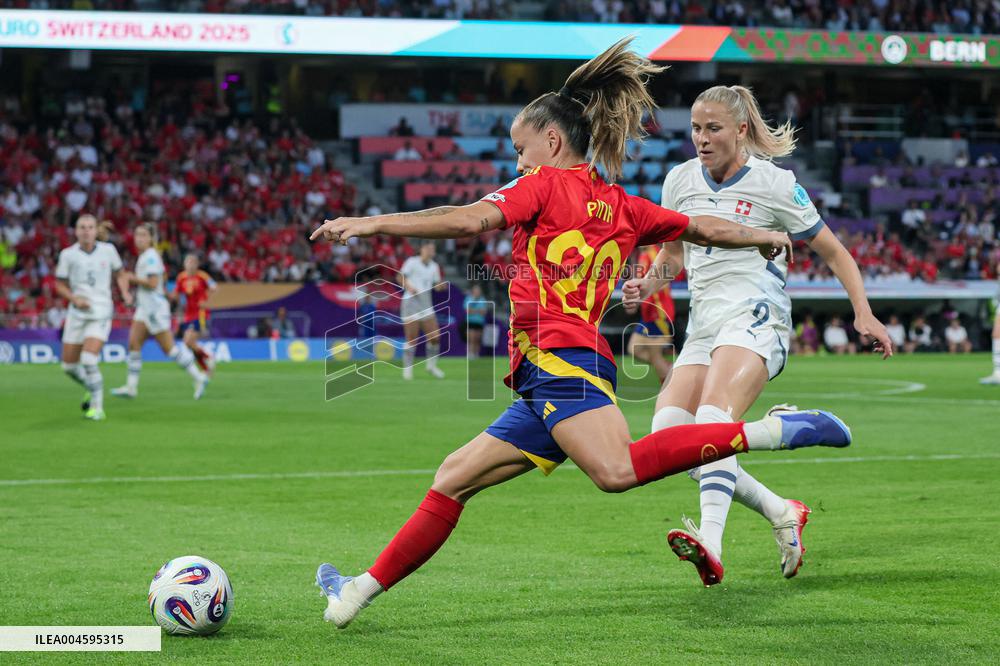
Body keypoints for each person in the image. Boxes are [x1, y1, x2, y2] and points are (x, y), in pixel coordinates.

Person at [308, 39, 852, 628]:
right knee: (453, 477)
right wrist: (760, 238)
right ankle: (354, 595)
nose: (517, 164)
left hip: (561, 360)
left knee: (616, 472)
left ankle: (775, 431)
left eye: (521, 150)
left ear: (552, 140)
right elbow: (702, 228)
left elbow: (469, 218)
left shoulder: (541, 185)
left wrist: (370, 223)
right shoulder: (621, 204)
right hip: (549, 372)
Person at [622, 84, 892, 586]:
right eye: (696, 129)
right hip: (704, 325)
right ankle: (782, 499)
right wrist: (646, 284)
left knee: (710, 421)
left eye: (713, 128)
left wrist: (864, 313)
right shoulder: (679, 180)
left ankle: (712, 542)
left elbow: (834, 251)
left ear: (741, 129)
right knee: (670, 441)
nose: (701, 139)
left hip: (755, 315)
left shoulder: (774, 183)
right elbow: (674, 258)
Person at [110, 223, 209, 400]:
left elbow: (153, 283)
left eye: (143, 235)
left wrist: (132, 278)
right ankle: (131, 387)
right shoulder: (145, 257)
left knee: (170, 350)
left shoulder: (151, 257)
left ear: (151, 239)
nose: (139, 239)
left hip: (154, 310)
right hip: (145, 308)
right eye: (137, 234)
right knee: (133, 344)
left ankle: (199, 377)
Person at [54, 214, 131, 421]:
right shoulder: (68, 255)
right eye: (82, 227)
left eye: (90, 227)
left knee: (88, 360)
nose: (86, 231)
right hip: (77, 313)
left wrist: (124, 292)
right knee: (68, 367)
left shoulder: (108, 251)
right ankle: (92, 387)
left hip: (100, 312)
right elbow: (59, 284)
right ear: (76, 231)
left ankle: (98, 408)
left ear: (96, 230)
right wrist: (74, 298)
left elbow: (121, 274)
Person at [399, 241, 447, 380]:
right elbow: (400, 277)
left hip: (426, 304)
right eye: (430, 248)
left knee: (435, 337)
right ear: (422, 249)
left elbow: (436, 285)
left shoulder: (434, 266)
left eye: (433, 249)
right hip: (411, 302)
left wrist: (441, 286)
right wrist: (409, 287)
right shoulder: (412, 262)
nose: (432, 251)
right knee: (411, 338)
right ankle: (407, 370)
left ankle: (431, 366)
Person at [626, 245, 674, 383]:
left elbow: (663, 280)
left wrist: (637, 297)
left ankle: (670, 389)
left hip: (658, 312)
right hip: (648, 314)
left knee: (655, 356)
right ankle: (672, 370)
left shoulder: (653, 254)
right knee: (634, 349)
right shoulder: (645, 254)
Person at [172, 254, 216, 375]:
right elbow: (176, 293)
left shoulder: (202, 276)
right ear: (184, 264)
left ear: (197, 264)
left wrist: (206, 300)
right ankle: (206, 365)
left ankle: (207, 358)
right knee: (189, 344)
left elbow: (214, 286)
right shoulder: (181, 277)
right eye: (188, 262)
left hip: (200, 313)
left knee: (188, 342)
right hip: (188, 314)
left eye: (192, 262)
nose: (190, 265)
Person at [464, 282, 489, 358]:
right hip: (470, 322)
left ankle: (476, 354)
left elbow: (484, 312)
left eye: (478, 290)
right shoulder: (468, 298)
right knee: (471, 339)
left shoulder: (482, 299)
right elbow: (467, 310)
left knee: (477, 339)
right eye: (475, 290)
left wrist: (474, 311)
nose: (477, 291)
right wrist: (478, 311)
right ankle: (470, 354)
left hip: (479, 322)